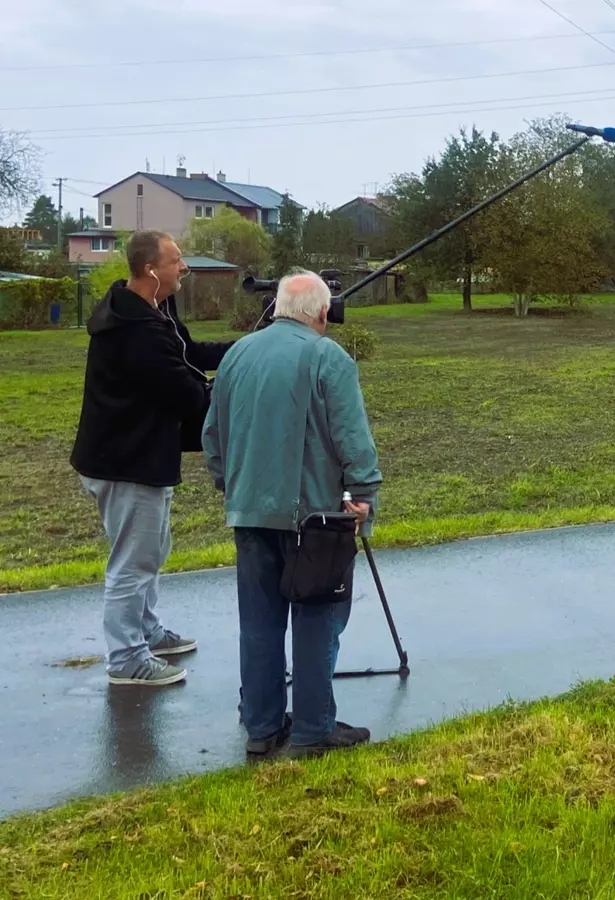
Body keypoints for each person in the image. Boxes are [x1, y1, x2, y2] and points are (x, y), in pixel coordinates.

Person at [203, 269, 382, 760]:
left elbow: (212, 434)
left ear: (279, 307)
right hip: (316, 519)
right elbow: (352, 437)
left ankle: (261, 727)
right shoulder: (328, 356)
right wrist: (364, 493)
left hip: (249, 510)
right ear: (323, 313)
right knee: (317, 617)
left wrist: (232, 485)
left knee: (258, 622)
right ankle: (312, 730)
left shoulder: (238, 354)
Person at [70, 229, 234, 687]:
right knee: (133, 562)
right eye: (176, 260)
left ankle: (146, 631)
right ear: (150, 270)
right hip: (125, 462)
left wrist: (249, 349)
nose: (184, 267)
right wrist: (242, 387)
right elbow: (188, 395)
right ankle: (126, 659)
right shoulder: (134, 334)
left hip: (143, 455)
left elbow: (190, 354)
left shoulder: (152, 312)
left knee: (151, 550)